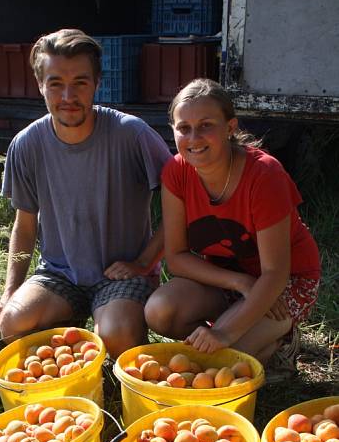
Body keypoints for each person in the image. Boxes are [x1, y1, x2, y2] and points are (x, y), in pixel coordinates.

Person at [0, 28, 172, 358]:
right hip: (59, 274)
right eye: (55, 84)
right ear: (40, 86)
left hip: (120, 276)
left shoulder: (130, 134)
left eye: (80, 82)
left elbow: (182, 198)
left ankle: (110, 323)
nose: (68, 96)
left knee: (117, 335)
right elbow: (24, 225)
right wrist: (10, 292)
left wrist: (144, 261)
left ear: (97, 82)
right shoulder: (26, 145)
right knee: (14, 324)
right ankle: (72, 331)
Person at [115, 78, 320, 370]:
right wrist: (239, 282)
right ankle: (246, 333)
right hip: (227, 276)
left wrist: (224, 332)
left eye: (206, 125)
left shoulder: (264, 174)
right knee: (160, 311)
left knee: (226, 360)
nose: (194, 138)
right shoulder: (176, 172)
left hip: (285, 283)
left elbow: (275, 273)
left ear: (230, 128)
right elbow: (177, 259)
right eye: (183, 128)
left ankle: (280, 340)